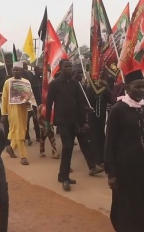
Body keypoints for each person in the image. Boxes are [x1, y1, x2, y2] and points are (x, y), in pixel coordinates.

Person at [104, 69, 144, 232]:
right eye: (137, 87)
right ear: (127, 87)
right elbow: (109, 142)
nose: (142, 90)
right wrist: (111, 173)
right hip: (125, 169)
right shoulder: (118, 109)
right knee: (126, 207)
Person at [45, 60, 90, 191]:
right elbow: (48, 105)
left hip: (74, 121)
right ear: (61, 68)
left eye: (70, 67)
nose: (69, 69)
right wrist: (47, 124)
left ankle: (62, 175)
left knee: (69, 149)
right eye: (66, 67)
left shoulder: (75, 84)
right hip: (61, 121)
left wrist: (84, 122)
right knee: (67, 146)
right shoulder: (54, 84)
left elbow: (80, 104)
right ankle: (65, 178)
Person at [1, 62, 31, 165]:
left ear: (21, 71)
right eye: (13, 70)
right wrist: (4, 114)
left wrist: (28, 102)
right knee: (18, 130)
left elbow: (30, 96)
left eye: (17, 69)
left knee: (23, 129)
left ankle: (11, 146)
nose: (15, 71)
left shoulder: (26, 82)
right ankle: (23, 156)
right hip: (12, 109)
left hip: (23, 109)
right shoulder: (8, 82)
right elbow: (4, 98)